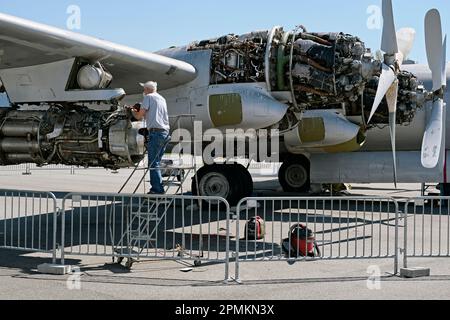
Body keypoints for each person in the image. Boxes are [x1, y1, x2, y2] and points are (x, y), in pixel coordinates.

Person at [130, 81, 170, 194]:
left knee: (153, 164)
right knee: (156, 161)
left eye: (144, 89)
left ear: (147, 89)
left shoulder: (148, 97)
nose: (143, 91)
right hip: (165, 133)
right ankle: (159, 187)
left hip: (156, 133)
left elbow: (138, 116)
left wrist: (132, 111)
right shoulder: (162, 99)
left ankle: (157, 190)